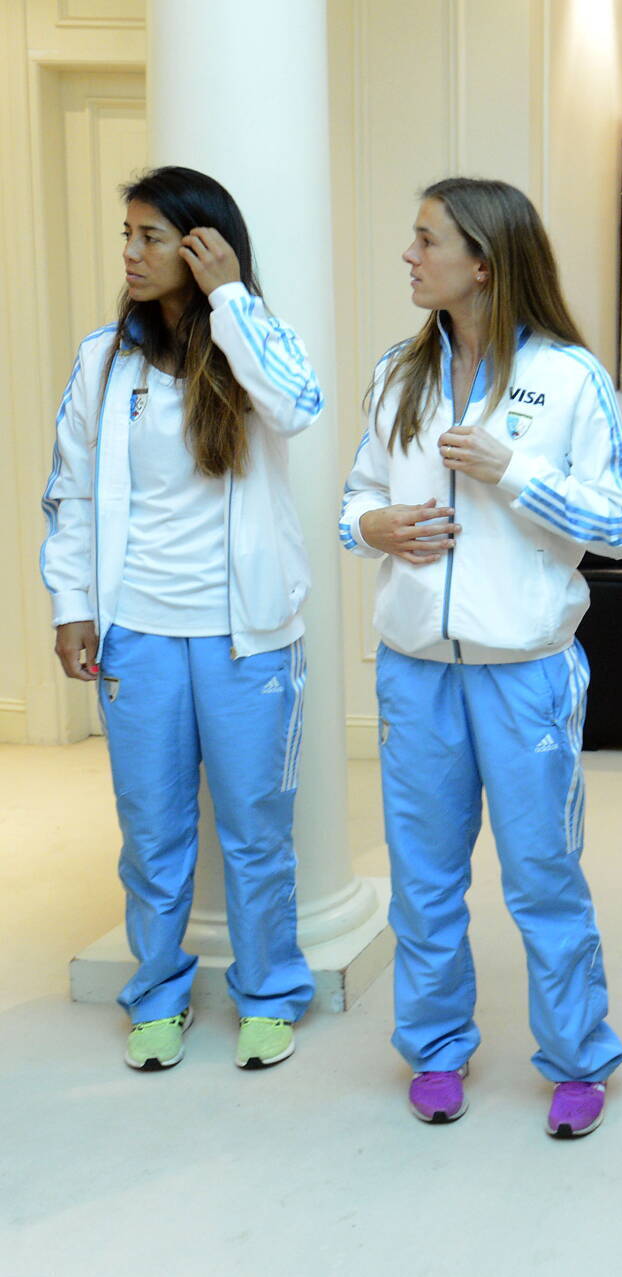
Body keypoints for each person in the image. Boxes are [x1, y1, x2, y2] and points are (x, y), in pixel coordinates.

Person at [339, 177, 622, 1138]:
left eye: (425, 238)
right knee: (423, 873)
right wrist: (375, 525)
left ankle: (577, 1056)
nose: (409, 254)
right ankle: (435, 1047)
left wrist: (515, 471)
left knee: (542, 872)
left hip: (525, 673)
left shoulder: (568, 378)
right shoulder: (400, 373)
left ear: (483, 259)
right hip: (416, 665)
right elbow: (354, 500)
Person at [40, 165, 321, 1072]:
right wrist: (73, 604)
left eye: (151, 236)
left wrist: (230, 294)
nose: (130, 252)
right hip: (140, 632)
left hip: (248, 635)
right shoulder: (102, 360)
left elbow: (297, 404)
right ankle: (157, 993)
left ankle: (270, 992)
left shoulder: (253, 342)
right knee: (153, 828)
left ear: (201, 245)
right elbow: (70, 492)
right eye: (127, 234)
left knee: (254, 826)